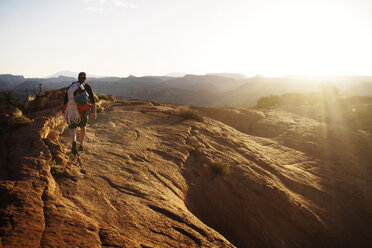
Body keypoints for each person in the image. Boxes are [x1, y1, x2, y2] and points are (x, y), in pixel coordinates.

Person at [62, 72, 96, 155]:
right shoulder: (86, 86)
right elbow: (93, 101)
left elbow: (65, 101)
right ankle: (81, 145)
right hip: (82, 111)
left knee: (72, 128)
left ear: (78, 78)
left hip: (71, 111)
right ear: (85, 78)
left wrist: (64, 112)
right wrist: (94, 112)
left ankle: (73, 143)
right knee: (82, 127)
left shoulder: (71, 86)